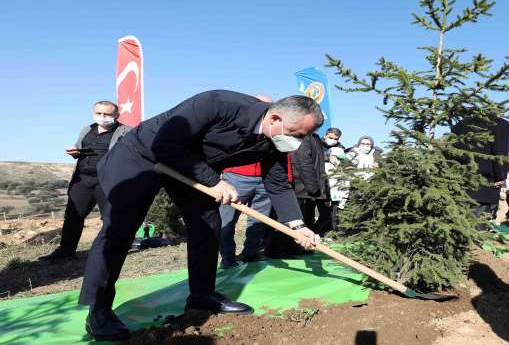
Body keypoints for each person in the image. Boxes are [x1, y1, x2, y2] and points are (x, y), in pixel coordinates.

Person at [78, 91, 322, 341]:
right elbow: (165, 144)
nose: (298, 142)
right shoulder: (218, 104)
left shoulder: (273, 140)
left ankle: (202, 296)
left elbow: (278, 184)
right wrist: (214, 181)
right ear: (275, 118)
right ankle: (98, 308)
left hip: (192, 166)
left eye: (305, 137)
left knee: (207, 223)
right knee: (120, 227)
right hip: (141, 156)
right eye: (297, 134)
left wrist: (297, 225)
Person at [38, 101, 131, 263]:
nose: (102, 117)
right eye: (99, 113)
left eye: (107, 114)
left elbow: (131, 154)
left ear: (116, 115)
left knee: (110, 217)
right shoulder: (86, 130)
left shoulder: (126, 131)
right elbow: (79, 148)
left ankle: (111, 250)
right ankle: (66, 251)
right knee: (73, 215)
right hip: (83, 179)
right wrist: (74, 152)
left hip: (107, 180)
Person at [218, 95, 273, 268]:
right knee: (226, 220)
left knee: (259, 221)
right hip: (236, 177)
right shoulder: (237, 124)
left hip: (264, 180)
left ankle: (250, 253)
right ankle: (228, 258)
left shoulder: (273, 130)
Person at [453, 115, 509, 219]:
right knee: (478, 221)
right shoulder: (500, 123)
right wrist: (501, 176)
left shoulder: (461, 122)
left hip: (458, 179)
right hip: (485, 180)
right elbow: (500, 152)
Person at [291, 132, 329, 234]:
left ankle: (299, 245)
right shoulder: (303, 137)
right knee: (296, 221)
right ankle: (286, 247)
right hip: (301, 188)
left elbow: (318, 164)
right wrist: (313, 187)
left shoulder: (315, 137)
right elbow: (303, 162)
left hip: (309, 188)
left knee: (307, 219)